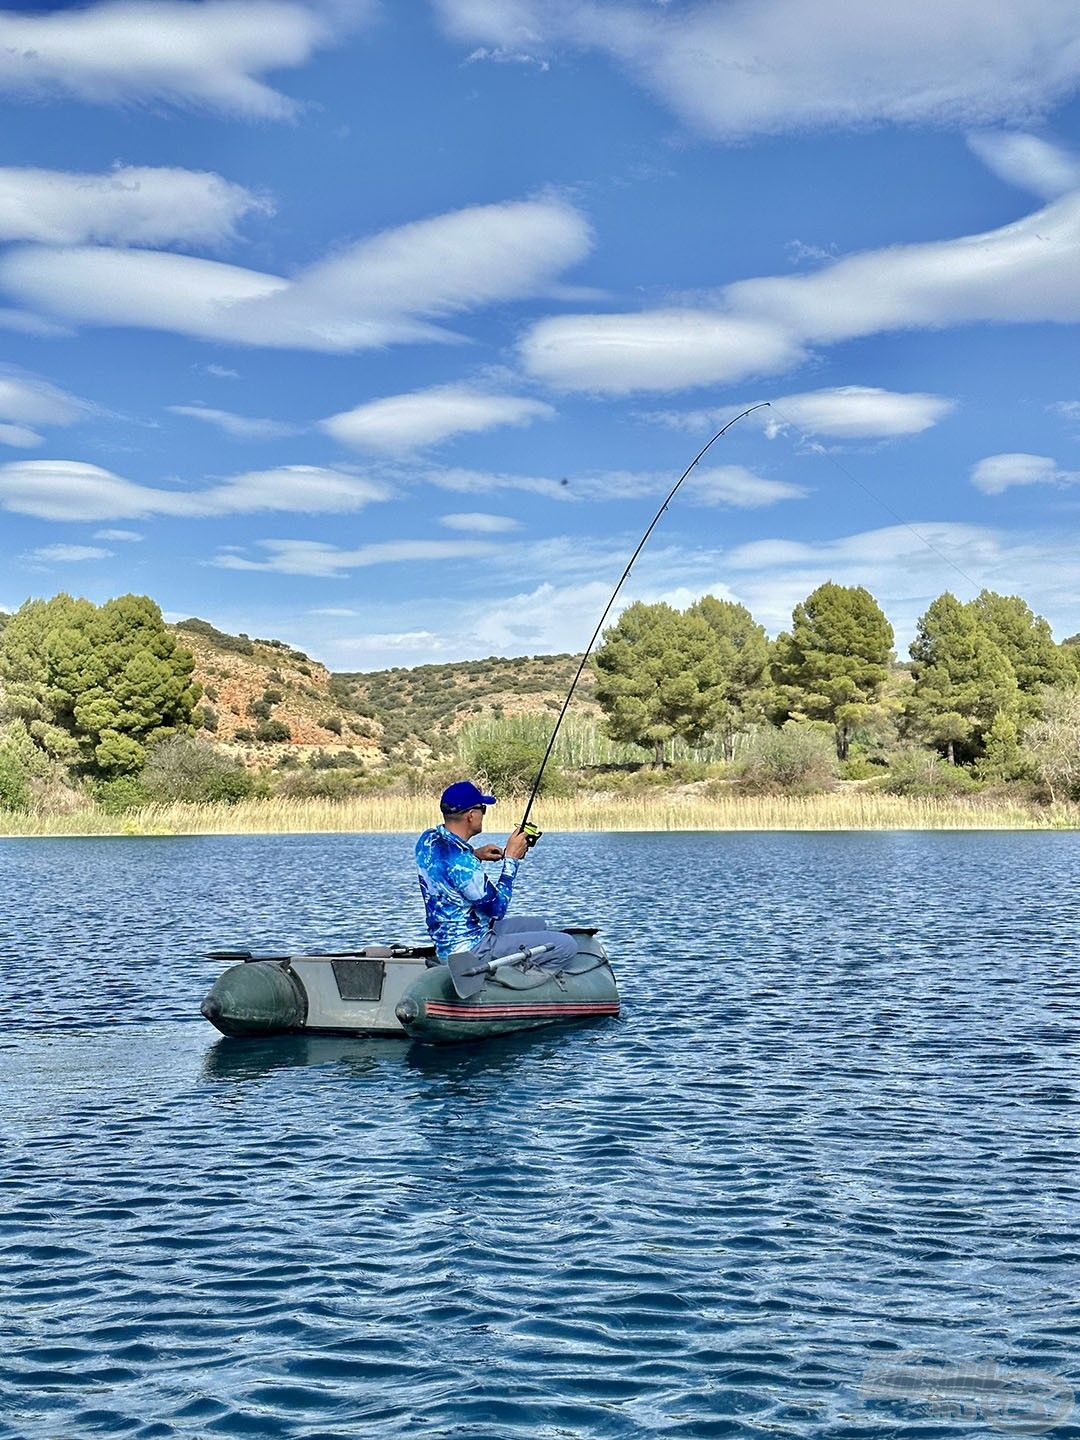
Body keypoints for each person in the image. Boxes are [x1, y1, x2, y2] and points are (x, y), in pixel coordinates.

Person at [415, 780, 577, 970]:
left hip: (449, 943)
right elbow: (497, 909)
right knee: (566, 945)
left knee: (538, 924)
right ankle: (522, 985)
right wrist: (511, 860)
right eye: (483, 808)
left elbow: (447, 863)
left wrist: (476, 853)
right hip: (472, 951)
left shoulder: (429, 839)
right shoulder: (464, 865)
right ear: (471, 815)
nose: (483, 814)